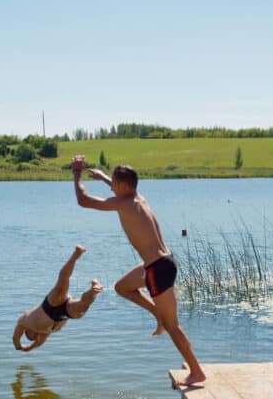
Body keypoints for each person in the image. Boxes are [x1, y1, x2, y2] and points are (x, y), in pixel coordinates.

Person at [71, 155, 205, 386]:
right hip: (163, 262)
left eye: (113, 182)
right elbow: (121, 189)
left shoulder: (123, 204)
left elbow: (83, 200)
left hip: (157, 269)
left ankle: (196, 371)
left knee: (173, 326)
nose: (111, 185)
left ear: (122, 186)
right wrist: (103, 177)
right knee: (122, 287)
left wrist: (76, 174)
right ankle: (157, 315)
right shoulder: (138, 198)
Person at [13, 245, 103, 352]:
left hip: (50, 307)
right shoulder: (44, 333)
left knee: (63, 284)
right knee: (82, 306)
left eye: (32, 336)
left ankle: (76, 255)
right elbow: (29, 341)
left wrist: (20, 346)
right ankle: (94, 289)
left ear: (28, 331)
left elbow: (16, 337)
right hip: (63, 314)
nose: (35, 336)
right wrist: (26, 347)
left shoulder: (24, 321)